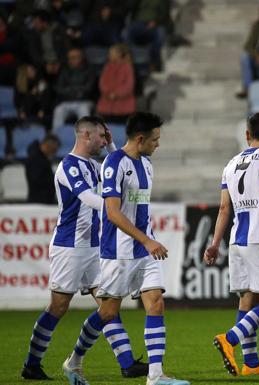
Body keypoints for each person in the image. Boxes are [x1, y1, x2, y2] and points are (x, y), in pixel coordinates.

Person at [61, 112, 189, 385]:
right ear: (140, 139)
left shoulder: (146, 163)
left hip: (145, 249)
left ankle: (155, 376)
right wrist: (147, 240)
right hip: (119, 251)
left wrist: (147, 241)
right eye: (155, 139)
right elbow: (112, 213)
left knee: (156, 303)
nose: (158, 144)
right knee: (107, 313)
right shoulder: (113, 163)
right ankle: (74, 360)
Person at [21, 116, 147, 381]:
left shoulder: (95, 164)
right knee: (58, 307)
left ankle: (127, 363)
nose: (105, 140)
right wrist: (116, 208)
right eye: (102, 136)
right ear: (86, 135)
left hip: (94, 248)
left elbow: (121, 169)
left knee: (108, 304)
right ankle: (32, 364)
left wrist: (113, 147)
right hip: (70, 247)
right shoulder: (69, 166)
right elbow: (88, 198)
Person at [205, 112, 259, 377]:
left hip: (237, 241)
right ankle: (230, 338)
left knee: (247, 300)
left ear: (247, 135)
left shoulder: (231, 163)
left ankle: (251, 363)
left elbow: (224, 207)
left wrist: (215, 243)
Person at [52, 47, 96, 130]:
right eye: (70, 58)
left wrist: (70, 90)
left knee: (84, 110)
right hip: (67, 101)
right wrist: (76, 92)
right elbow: (59, 88)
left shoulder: (89, 70)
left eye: (74, 57)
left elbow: (88, 89)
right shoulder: (64, 70)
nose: (71, 60)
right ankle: (55, 138)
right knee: (58, 110)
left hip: (84, 101)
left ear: (81, 58)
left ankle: (86, 139)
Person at [96, 44, 136, 122]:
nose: (109, 55)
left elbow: (128, 86)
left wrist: (116, 94)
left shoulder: (127, 67)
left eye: (111, 53)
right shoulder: (107, 67)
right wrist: (108, 93)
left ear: (119, 54)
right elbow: (102, 82)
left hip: (124, 102)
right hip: (107, 101)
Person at [25, 134, 60, 204]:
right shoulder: (35, 159)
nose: (55, 153)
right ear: (48, 146)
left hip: (43, 200)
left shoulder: (41, 158)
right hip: (38, 201)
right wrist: (55, 180)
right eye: (54, 150)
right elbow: (36, 180)